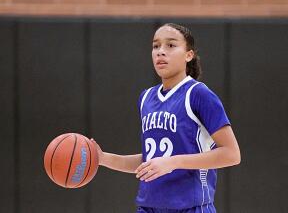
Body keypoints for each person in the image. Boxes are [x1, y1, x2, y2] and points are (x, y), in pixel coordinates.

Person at [92, 23, 241, 213]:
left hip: (191, 207)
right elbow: (150, 162)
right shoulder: (146, 98)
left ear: (189, 55)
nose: (160, 52)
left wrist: (172, 162)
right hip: (148, 207)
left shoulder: (198, 94)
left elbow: (231, 154)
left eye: (170, 45)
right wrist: (103, 158)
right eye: (156, 46)